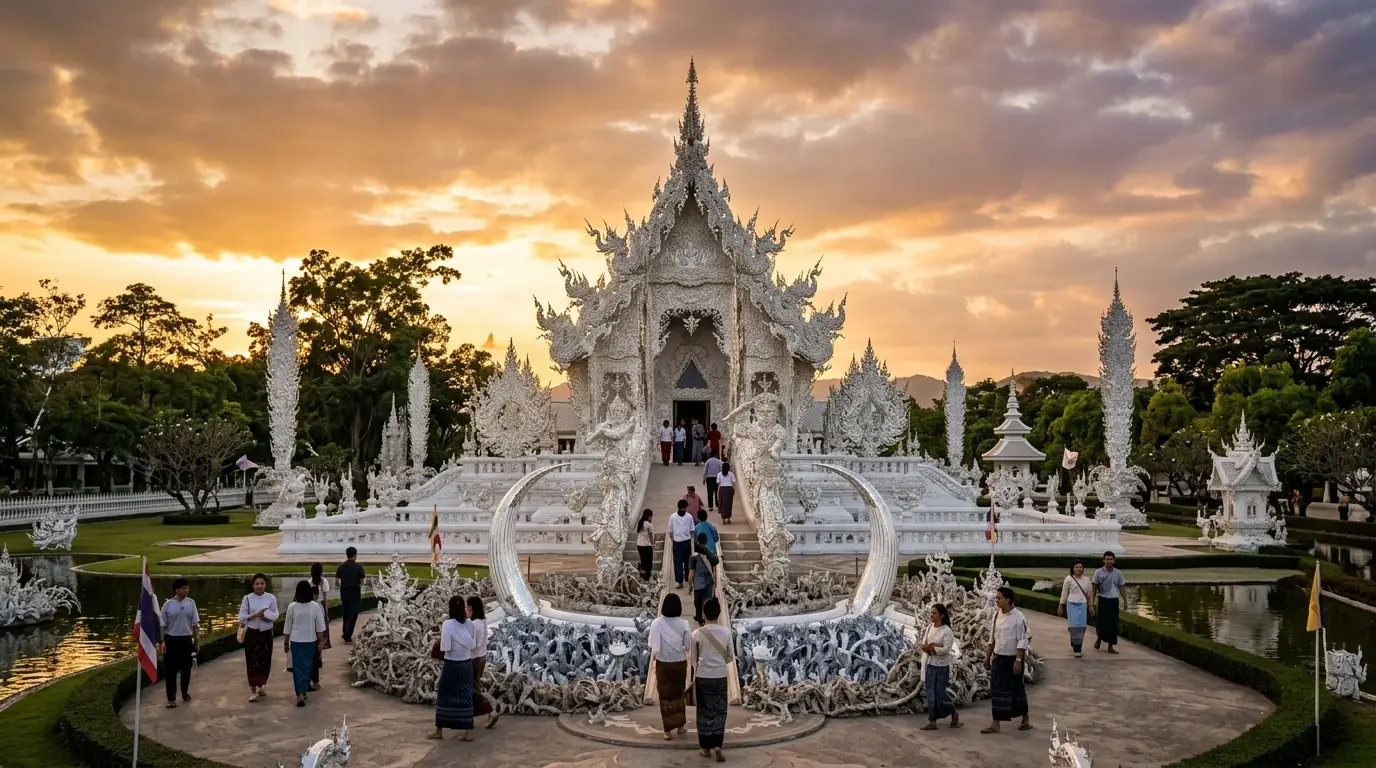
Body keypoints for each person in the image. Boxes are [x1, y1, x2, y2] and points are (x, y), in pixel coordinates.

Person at [983, 586, 1032, 734]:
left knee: (1017, 690)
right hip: (998, 658)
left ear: (1008, 600)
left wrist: (1018, 659)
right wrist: (987, 657)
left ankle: (1025, 719)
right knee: (997, 691)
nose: (996, 601)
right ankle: (995, 723)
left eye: (999, 598)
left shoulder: (1018, 617)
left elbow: (1023, 639)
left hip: (1012, 659)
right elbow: (992, 638)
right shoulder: (996, 615)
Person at [430, 595, 477, 741]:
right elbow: (473, 644)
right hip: (466, 664)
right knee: (466, 696)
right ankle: (468, 732)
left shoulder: (448, 624)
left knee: (444, 696)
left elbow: (445, 647)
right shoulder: (470, 624)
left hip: (451, 664)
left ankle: (439, 731)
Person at [693, 597, 733, 761]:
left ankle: (705, 748)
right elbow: (730, 657)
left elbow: (694, 661)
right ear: (719, 613)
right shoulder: (726, 632)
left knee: (703, 711)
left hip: (703, 677)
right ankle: (718, 744)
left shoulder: (696, 634)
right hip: (720, 676)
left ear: (703, 614)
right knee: (719, 710)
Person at [649, 593, 691, 739]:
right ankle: (680, 726)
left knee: (665, 696)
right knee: (679, 694)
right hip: (679, 663)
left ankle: (667, 731)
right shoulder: (684, 624)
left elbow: (654, 646)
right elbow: (687, 646)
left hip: (663, 664)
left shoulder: (656, 623)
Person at [283, 580, 326, 707]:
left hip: (296, 641)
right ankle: (303, 690)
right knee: (307, 666)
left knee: (297, 667)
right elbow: (320, 627)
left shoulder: (292, 606)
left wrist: (286, 642)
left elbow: (288, 626)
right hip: (310, 640)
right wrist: (321, 641)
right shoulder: (315, 606)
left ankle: (300, 693)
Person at [160, 577, 199, 707]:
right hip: (171, 639)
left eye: (187, 588)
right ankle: (171, 698)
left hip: (186, 638)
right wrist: (162, 641)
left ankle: (184, 692)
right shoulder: (168, 605)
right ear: (177, 590)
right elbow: (162, 625)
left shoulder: (191, 603)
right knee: (170, 671)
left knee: (185, 670)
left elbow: (195, 624)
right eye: (183, 588)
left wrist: (196, 641)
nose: (186, 590)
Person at [238, 573, 278, 702]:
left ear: (265, 584)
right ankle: (253, 689)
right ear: (253, 585)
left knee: (265, 659)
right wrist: (255, 615)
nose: (259, 586)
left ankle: (261, 686)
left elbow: (275, 614)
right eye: (257, 584)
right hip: (252, 633)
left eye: (262, 583)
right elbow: (242, 616)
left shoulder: (271, 598)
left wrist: (265, 615)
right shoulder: (247, 598)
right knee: (252, 661)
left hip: (266, 632)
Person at [920, 603, 960, 730]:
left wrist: (934, 648)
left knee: (939, 693)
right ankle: (932, 721)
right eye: (931, 613)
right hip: (929, 664)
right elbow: (924, 642)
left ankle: (952, 712)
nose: (931, 615)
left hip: (941, 666)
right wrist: (926, 647)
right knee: (930, 693)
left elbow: (947, 648)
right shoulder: (930, 627)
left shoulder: (947, 631)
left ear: (941, 615)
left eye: (934, 613)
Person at [466, 596, 499, 729]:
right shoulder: (482, 621)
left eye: (468, 607)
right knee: (475, 686)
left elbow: (473, 644)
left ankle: (491, 711)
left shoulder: (473, 624)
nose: (466, 610)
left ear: (471, 609)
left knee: (473, 689)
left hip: (474, 658)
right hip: (481, 657)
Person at [1092, 551, 1125, 653]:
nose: (1109, 561)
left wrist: (1125, 600)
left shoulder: (1118, 573)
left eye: (1111, 559)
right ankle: (1099, 639)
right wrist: (1091, 603)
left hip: (1113, 600)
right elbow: (1094, 588)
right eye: (1107, 559)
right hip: (1103, 599)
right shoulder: (1098, 572)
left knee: (1113, 624)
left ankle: (1110, 646)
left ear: (1114, 561)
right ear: (1103, 560)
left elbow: (1121, 587)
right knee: (1101, 622)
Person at [1058, 560, 1093, 657]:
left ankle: (1078, 645)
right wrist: (1061, 605)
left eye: (1081, 567)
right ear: (1073, 569)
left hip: (1082, 604)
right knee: (1073, 626)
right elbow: (1064, 594)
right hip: (1071, 604)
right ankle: (1076, 647)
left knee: (1081, 626)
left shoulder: (1087, 580)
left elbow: (1089, 594)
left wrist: (1090, 606)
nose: (1079, 569)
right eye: (1077, 567)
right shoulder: (1068, 579)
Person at [335, 547, 365, 643]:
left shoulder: (341, 566)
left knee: (346, 612)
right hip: (355, 591)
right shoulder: (359, 567)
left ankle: (345, 631)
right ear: (355, 555)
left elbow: (336, 581)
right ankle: (347, 634)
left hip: (344, 591)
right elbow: (362, 581)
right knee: (353, 613)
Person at [688, 532, 720, 624]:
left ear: (697, 542)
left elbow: (691, 572)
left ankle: (699, 618)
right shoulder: (710, 554)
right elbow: (715, 566)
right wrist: (716, 582)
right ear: (706, 542)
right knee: (707, 602)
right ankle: (706, 618)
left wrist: (690, 585)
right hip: (708, 584)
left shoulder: (693, 557)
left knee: (697, 603)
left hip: (698, 584)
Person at [669, 500, 695, 589]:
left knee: (688, 562)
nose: (684, 509)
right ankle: (680, 581)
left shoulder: (689, 517)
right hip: (677, 542)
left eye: (685, 508)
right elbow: (670, 531)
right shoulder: (673, 517)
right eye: (683, 508)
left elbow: (692, 530)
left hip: (686, 542)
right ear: (679, 508)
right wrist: (674, 540)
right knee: (677, 563)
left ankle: (688, 579)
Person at [310, 562, 331, 649]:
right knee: (322, 626)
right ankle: (324, 642)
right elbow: (325, 598)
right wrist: (326, 612)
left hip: (311, 606)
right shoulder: (324, 581)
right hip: (320, 605)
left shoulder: (309, 581)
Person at [635, 509, 655, 579]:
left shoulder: (640, 523)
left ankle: (642, 575)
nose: (651, 518)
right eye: (651, 516)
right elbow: (651, 535)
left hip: (639, 545)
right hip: (647, 546)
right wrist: (653, 544)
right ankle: (647, 578)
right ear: (649, 516)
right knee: (649, 563)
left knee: (643, 561)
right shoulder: (649, 525)